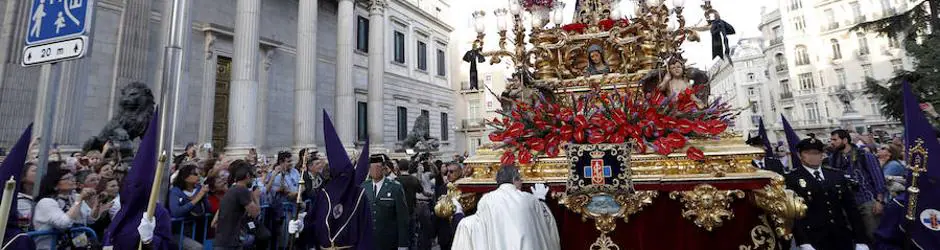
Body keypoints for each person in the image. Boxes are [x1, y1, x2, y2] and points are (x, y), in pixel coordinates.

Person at [786, 135, 870, 250]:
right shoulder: (792, 178)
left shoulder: (836, 175)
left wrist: (861, 239)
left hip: (841, 236)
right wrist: (803, 242)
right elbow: (794, 215)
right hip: (813, 238)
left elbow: (851, 209)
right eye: (808, 153)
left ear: (822, 155)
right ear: (799, 155)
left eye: (816, 153)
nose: (813, 156)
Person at [452, 165, 560, 250]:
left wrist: (459, 214)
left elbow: (477, 228)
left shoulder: (487, 200)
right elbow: (545, 222)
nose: (522, 183)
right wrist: (540, 200)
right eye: (520, 180)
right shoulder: (528, 199)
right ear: (514, 179)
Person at [829, 129, 887, 240]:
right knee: (857, 238)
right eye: (831, 139)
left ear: (845, 140)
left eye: (835, 139)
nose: (832, 142)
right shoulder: (834, 159)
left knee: (874, 235)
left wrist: (880, 201)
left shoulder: (864, 154)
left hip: (867, 201)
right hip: (847, 205)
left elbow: (878, 178)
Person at [32, 161, 98, 249]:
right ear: (55, 186)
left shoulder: (74, 198)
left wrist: (98, 203)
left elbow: (90, 219)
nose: (73, 180)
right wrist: (79, 200)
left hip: (78, 246)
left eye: (72, 177)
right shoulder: (46, 202)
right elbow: (64, 223)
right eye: (67, 178)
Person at [363, 154, 411, 250]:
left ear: (384, 168)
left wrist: (403, 245)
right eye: (372, 167)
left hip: (389, 242)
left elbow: (402, 218)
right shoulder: (364, 187)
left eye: (378, 167)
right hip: (368, 241)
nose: (375, 170)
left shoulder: (395, 187)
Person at [213, 160, 262, 250]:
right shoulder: (241, 190)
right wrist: (256, 197)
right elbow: (256, 213)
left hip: (221, 241)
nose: (252, 180)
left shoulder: (231, 190)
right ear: (247, 175)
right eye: (252, 177)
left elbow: (214, 222)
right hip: (231, 243)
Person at [168, 163, 210, 250]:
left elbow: (207, 209)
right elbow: (176, 212)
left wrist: (204, 196)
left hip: (197, 231)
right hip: (179, 232)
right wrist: (196, 198)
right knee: (197, 248)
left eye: (199, 174)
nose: (198, 176)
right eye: (195, 174)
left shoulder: (199, 189)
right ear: (185, 177)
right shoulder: (176, 191)